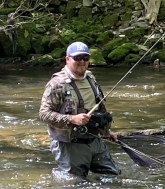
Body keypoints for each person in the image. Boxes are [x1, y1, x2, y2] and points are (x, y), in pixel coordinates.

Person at [38, 41, 121, 180]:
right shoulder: (57, 84)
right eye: (77, 58)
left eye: (85, 58)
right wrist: (72, 119)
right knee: (76, 183)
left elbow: (99, 107)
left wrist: (106, 131)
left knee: (112, 178)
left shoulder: (90, 78)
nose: (82, 61)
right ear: (68, 59)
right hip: (70, 145)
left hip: (94, 140)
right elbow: (43, 114)